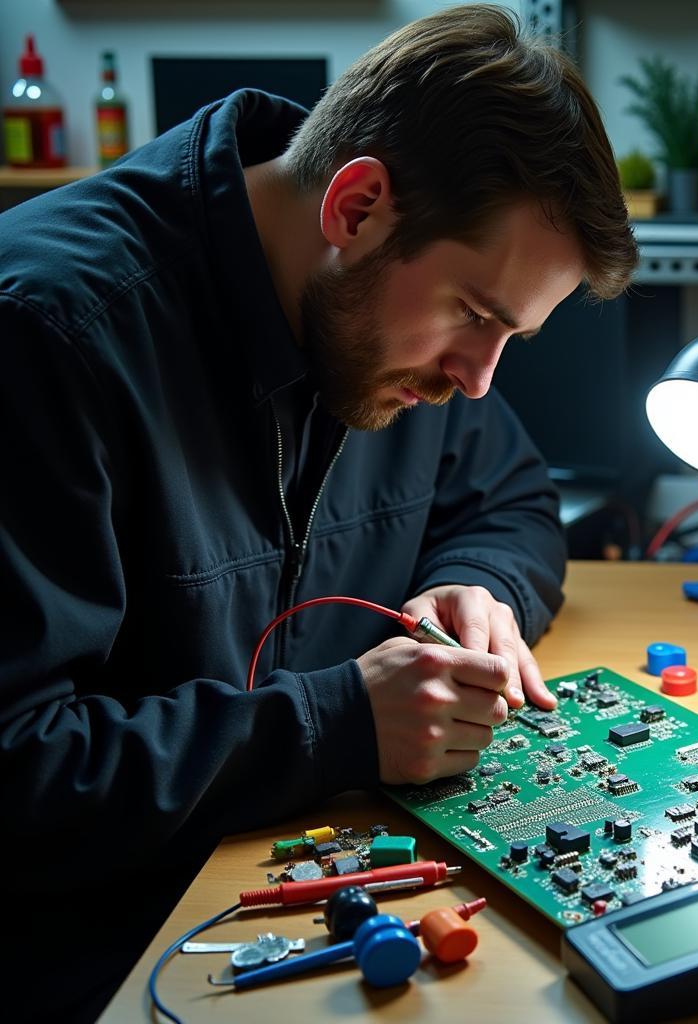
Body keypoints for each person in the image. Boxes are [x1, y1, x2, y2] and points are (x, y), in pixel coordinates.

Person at [0, 5, 637, 1019]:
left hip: (305, 888)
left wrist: (474, 583)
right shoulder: (48, 337)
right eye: (476, 316)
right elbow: (17, 771)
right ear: (358, 206)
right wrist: (337, 720)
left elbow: (510, 497)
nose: (477, 381)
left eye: (510, 337)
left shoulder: (380, 314)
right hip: (98, 956)